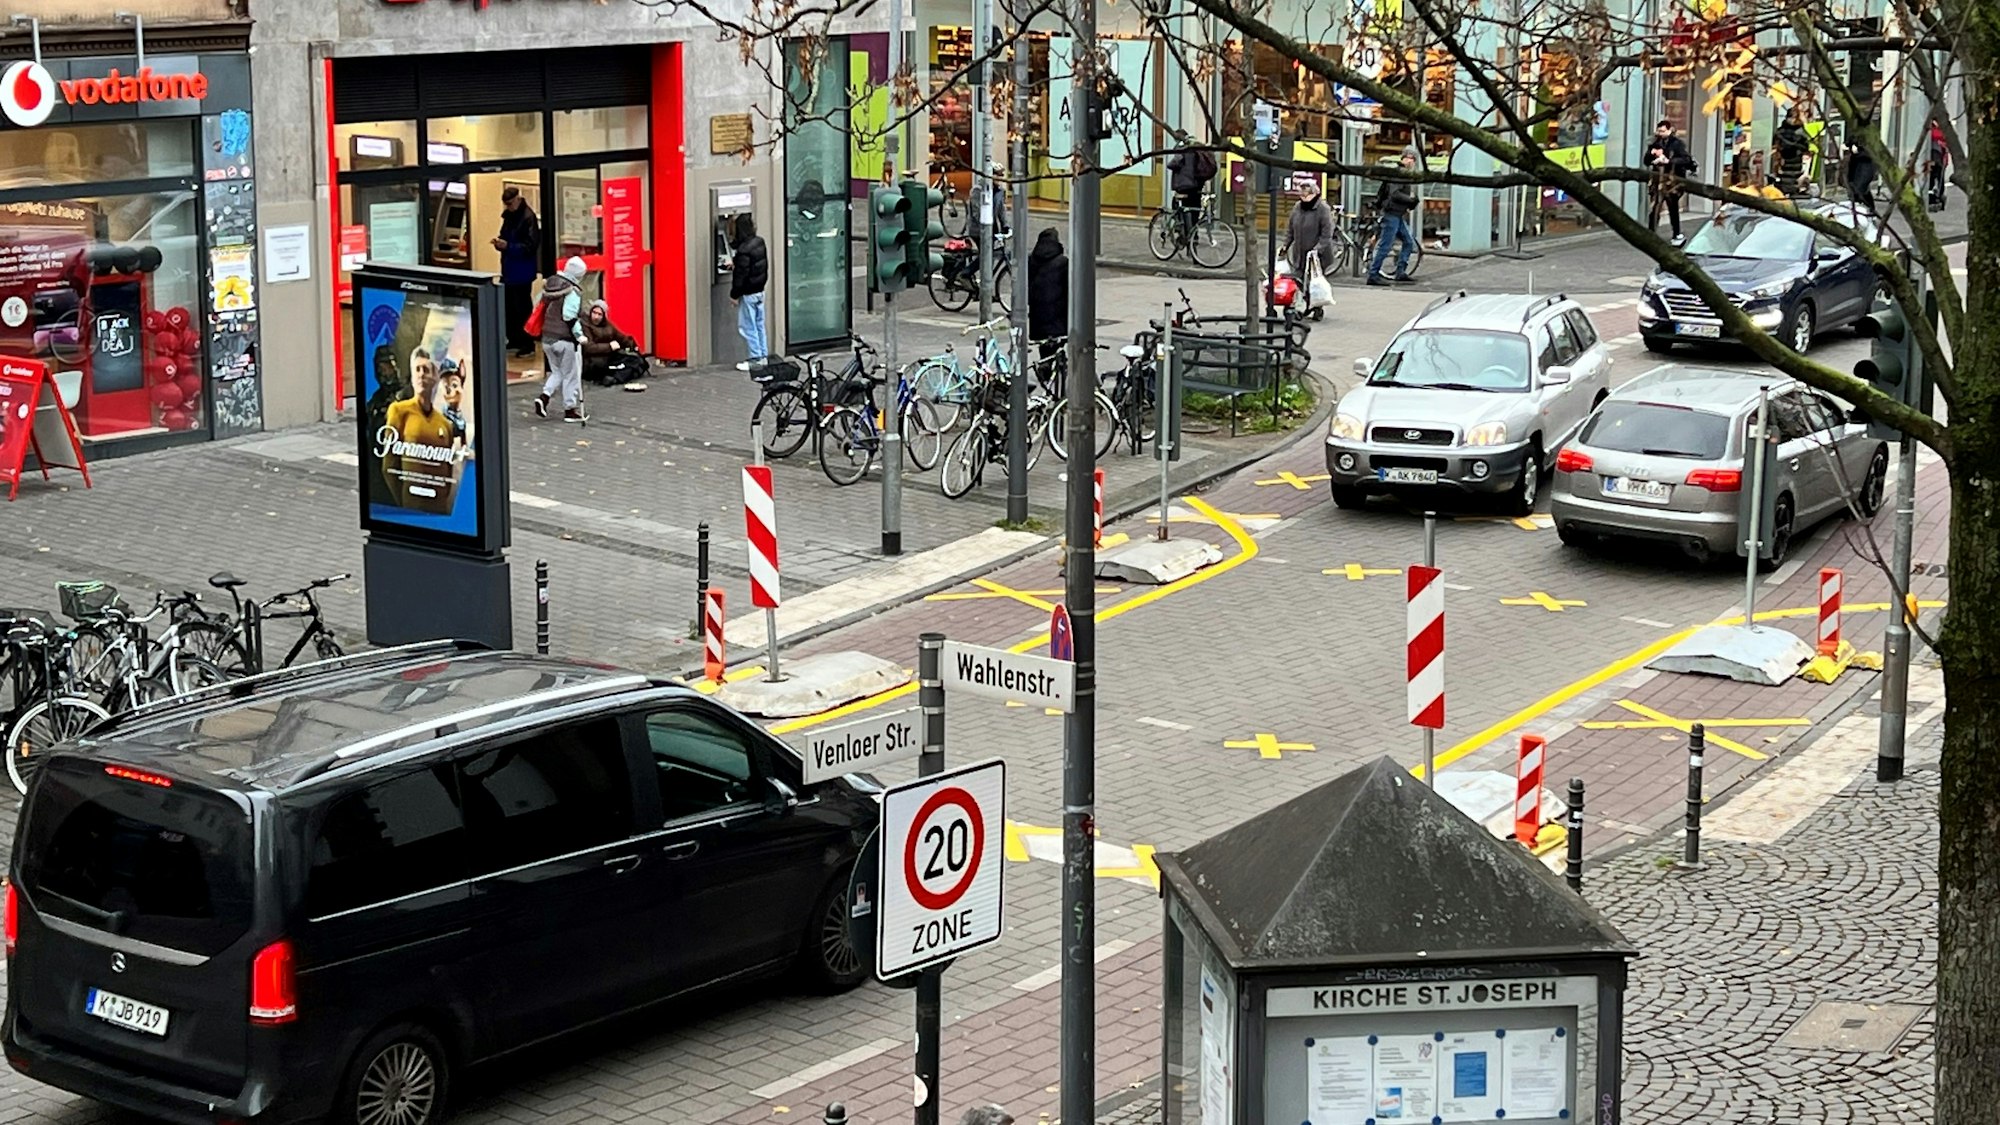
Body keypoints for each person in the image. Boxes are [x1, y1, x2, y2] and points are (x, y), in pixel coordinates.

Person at [381, 347, 459, 511]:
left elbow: (448, 471)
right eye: (417, 369)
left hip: (439, 508)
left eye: (426, 370)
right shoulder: (398, 411)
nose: (421, 374)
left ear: (435, 377)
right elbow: (388, 465)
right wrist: (403, 502)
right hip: (411, 505)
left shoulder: (445, 424)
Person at [533, 256, 589, 423]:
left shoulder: (550, 285)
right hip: (564, 339)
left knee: (557, 372)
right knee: (571, 374)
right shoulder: (572, 291)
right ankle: (570, 409)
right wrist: (580, 335)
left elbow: (538, 305)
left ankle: (544, 398)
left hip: (547, 338)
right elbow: (569, 316)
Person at [493, 186, 540, 357]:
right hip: (510, 270)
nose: (508, 207)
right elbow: (505, 236)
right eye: (506, 204)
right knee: (510, 309)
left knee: (522, 309)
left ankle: (527, 343)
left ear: (518, 199)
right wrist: (500, 244)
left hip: (522, 272)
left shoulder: (528, 217)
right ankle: (514, 339)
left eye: (510, 203)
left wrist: (508, 246)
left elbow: (531, 246)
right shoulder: (509, 216)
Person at [1367, 147, 1421, 287]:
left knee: (1408, 242)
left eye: (1413, 159)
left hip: (1397, 215)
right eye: (1409, 158)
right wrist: (1410, 200)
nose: (1411, 161)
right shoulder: (1398, 174)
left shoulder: (1403, 174)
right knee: (1386, 245)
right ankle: (1373, 275)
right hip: (1391, 214)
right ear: (1403, 158)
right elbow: (1395, 194)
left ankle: (1400, 272)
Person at [1285, 179, 1336, 315]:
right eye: (1301, 195)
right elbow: (1291, 229)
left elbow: (1327, 234)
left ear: (1315, 194)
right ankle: (1305, 305)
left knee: (1313, 283)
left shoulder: (1323, 209)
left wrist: (1317, 249)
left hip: (1318, 256)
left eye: (1306, 195)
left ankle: (1314, 307)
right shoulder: (1297, 207)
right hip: (1300, 253)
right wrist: (1286, 245)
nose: (1304, 198)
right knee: (1299, 280)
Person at [1644, 119, 1696, 243]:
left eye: (1662, 131)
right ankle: (1651, 232)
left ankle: (1676, 233)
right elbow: (1646, 161)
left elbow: (1686, 159)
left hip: (1672, 181)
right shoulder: (1655, 143)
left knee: (1672, 207)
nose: (1660, 133)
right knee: (1655, 206)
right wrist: (1652, 154)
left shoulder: (1677, 144)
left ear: (1669, 130)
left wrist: (1669, 161)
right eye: (1659, 131)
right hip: (1658, 180)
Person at [1026, 228, 1068, 374]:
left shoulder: (1031, 260)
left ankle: (1045, 366)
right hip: (1058, 313)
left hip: (1037, 315)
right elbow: (1068, 288)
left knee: (1044, 345)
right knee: (1058, 344)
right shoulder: (1062, 262)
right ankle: (1052, 371)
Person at [730, 214, 769, 371]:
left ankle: (755, 359)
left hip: (748, 294)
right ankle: (763, 356)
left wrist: (734, 295)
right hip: (760, 291)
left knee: (748, 327)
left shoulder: (743, 250)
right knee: (759, 325)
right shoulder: (759, 242)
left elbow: (741, 277)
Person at [581, 300, 646, 390]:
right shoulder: (585, 325)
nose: (596, 317)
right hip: (593, 362)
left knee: (635, 361)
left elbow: (621, 337)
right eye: (594, 313)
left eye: (599, 314)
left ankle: (614, 377)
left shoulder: (608, 325)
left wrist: (632, 345)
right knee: (626, 367)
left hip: (609, 357)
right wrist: (609, 346)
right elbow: (588, 348)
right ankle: (615, 378)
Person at [1166, 145, 1219, 216]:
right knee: (1195, 206)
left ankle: (1185, 224)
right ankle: (1194, 225)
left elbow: (1172, 164)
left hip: (1185, 185)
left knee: (1183, 207)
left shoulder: (1183, 151)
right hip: (1197, 184)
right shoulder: (1199, 151)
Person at [1774, 108, 1811, 195]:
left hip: (1796, 158)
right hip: (1784, 159)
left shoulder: (1800, 130)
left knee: (1794, 176)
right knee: (1785, 176)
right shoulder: (1782, 130)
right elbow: (1776, 143)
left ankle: (1793, 189)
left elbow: (1806, 144)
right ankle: (1785, 189)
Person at [1925, 119, 1950, 210]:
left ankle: (1937, 196)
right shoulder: (1933, 131)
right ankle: (1934, 196)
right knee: (1934, 178)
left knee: (1939, 178)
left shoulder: (1939, 131)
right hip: (1934, 158)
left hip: (1939, 158)